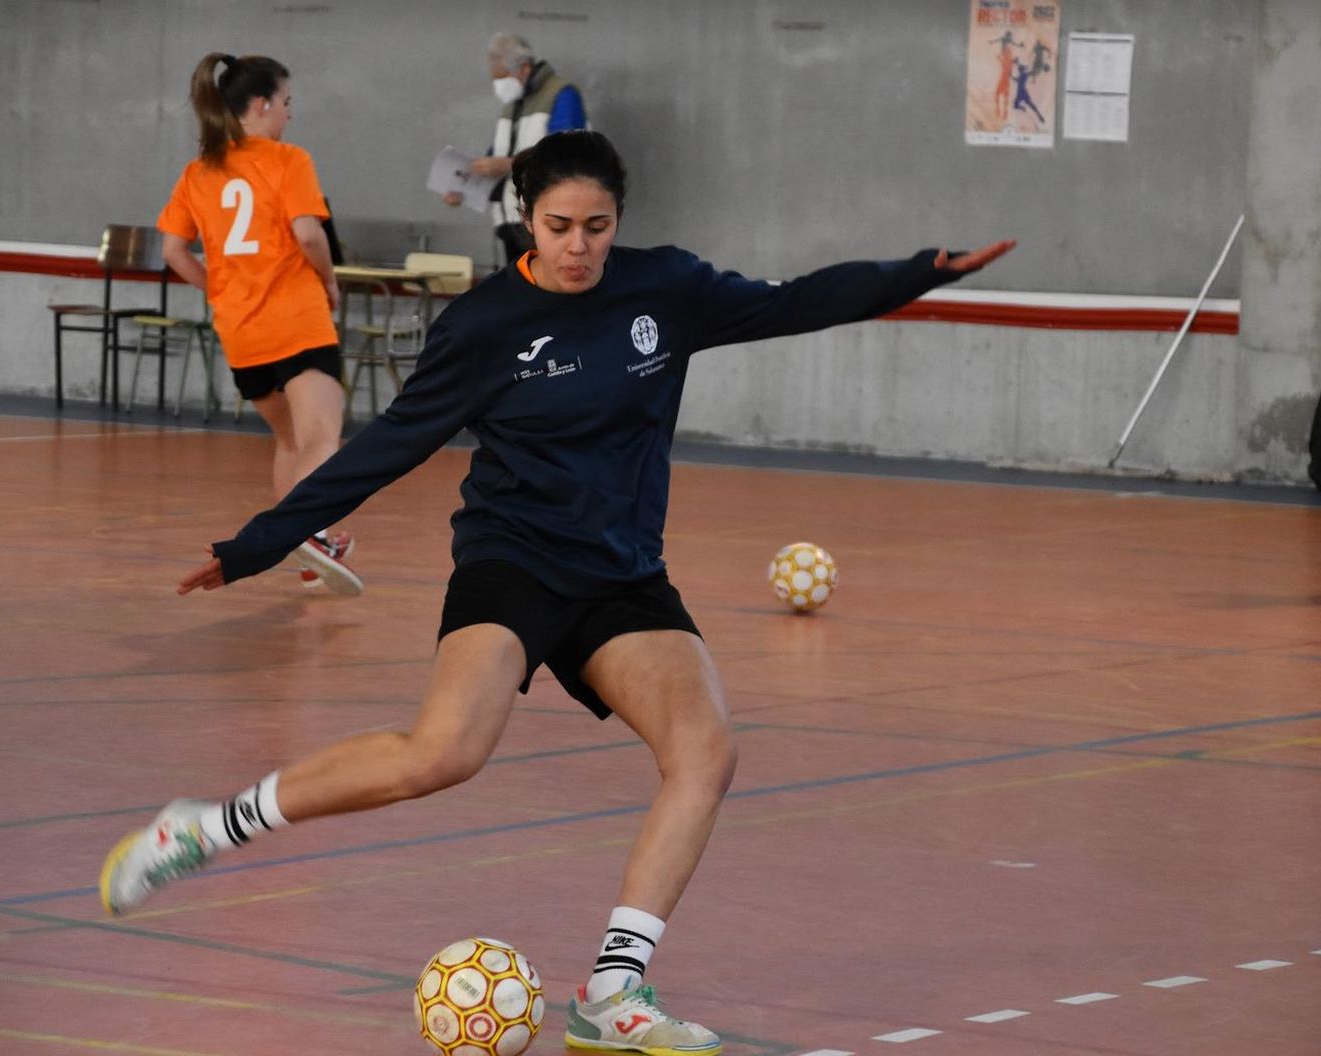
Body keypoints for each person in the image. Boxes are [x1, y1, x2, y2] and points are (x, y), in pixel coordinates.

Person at [101, 130, 1014, 1054]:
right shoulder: (485, 325)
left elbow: (794, 302)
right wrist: (258, 544)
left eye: (597, 226)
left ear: (620, 220)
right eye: (559, 226)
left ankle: (613, 993)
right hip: (514, 560)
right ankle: (208, 828)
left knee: (705, 752)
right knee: (441, 755)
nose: (579, 247)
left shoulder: (666, 287)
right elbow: (389, 446)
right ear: (527, 220)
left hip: (623, 573)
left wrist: (921, 271)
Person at [157, 52, 362, 596]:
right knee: (322, 435)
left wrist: (219, 289)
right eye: (287, 102)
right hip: (296, 319)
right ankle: (312, 534)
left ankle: (306, 554)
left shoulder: (199, 171)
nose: (290, 113)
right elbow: (309, 234)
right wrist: (329, 281)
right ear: (262, 104)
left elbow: (173, 251)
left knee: (290, 441)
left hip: (242, 331)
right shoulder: (288, 159)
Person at [440, 32, 587, 264]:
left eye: (503, 77)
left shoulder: (561, 95)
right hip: (512, 221)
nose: (499, 86)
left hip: (550, 222)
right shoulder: (511, 105)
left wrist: (509, 165)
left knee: (546, 285)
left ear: (524, 68)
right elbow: (497, 158)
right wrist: (463, 187)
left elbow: (568, 153)